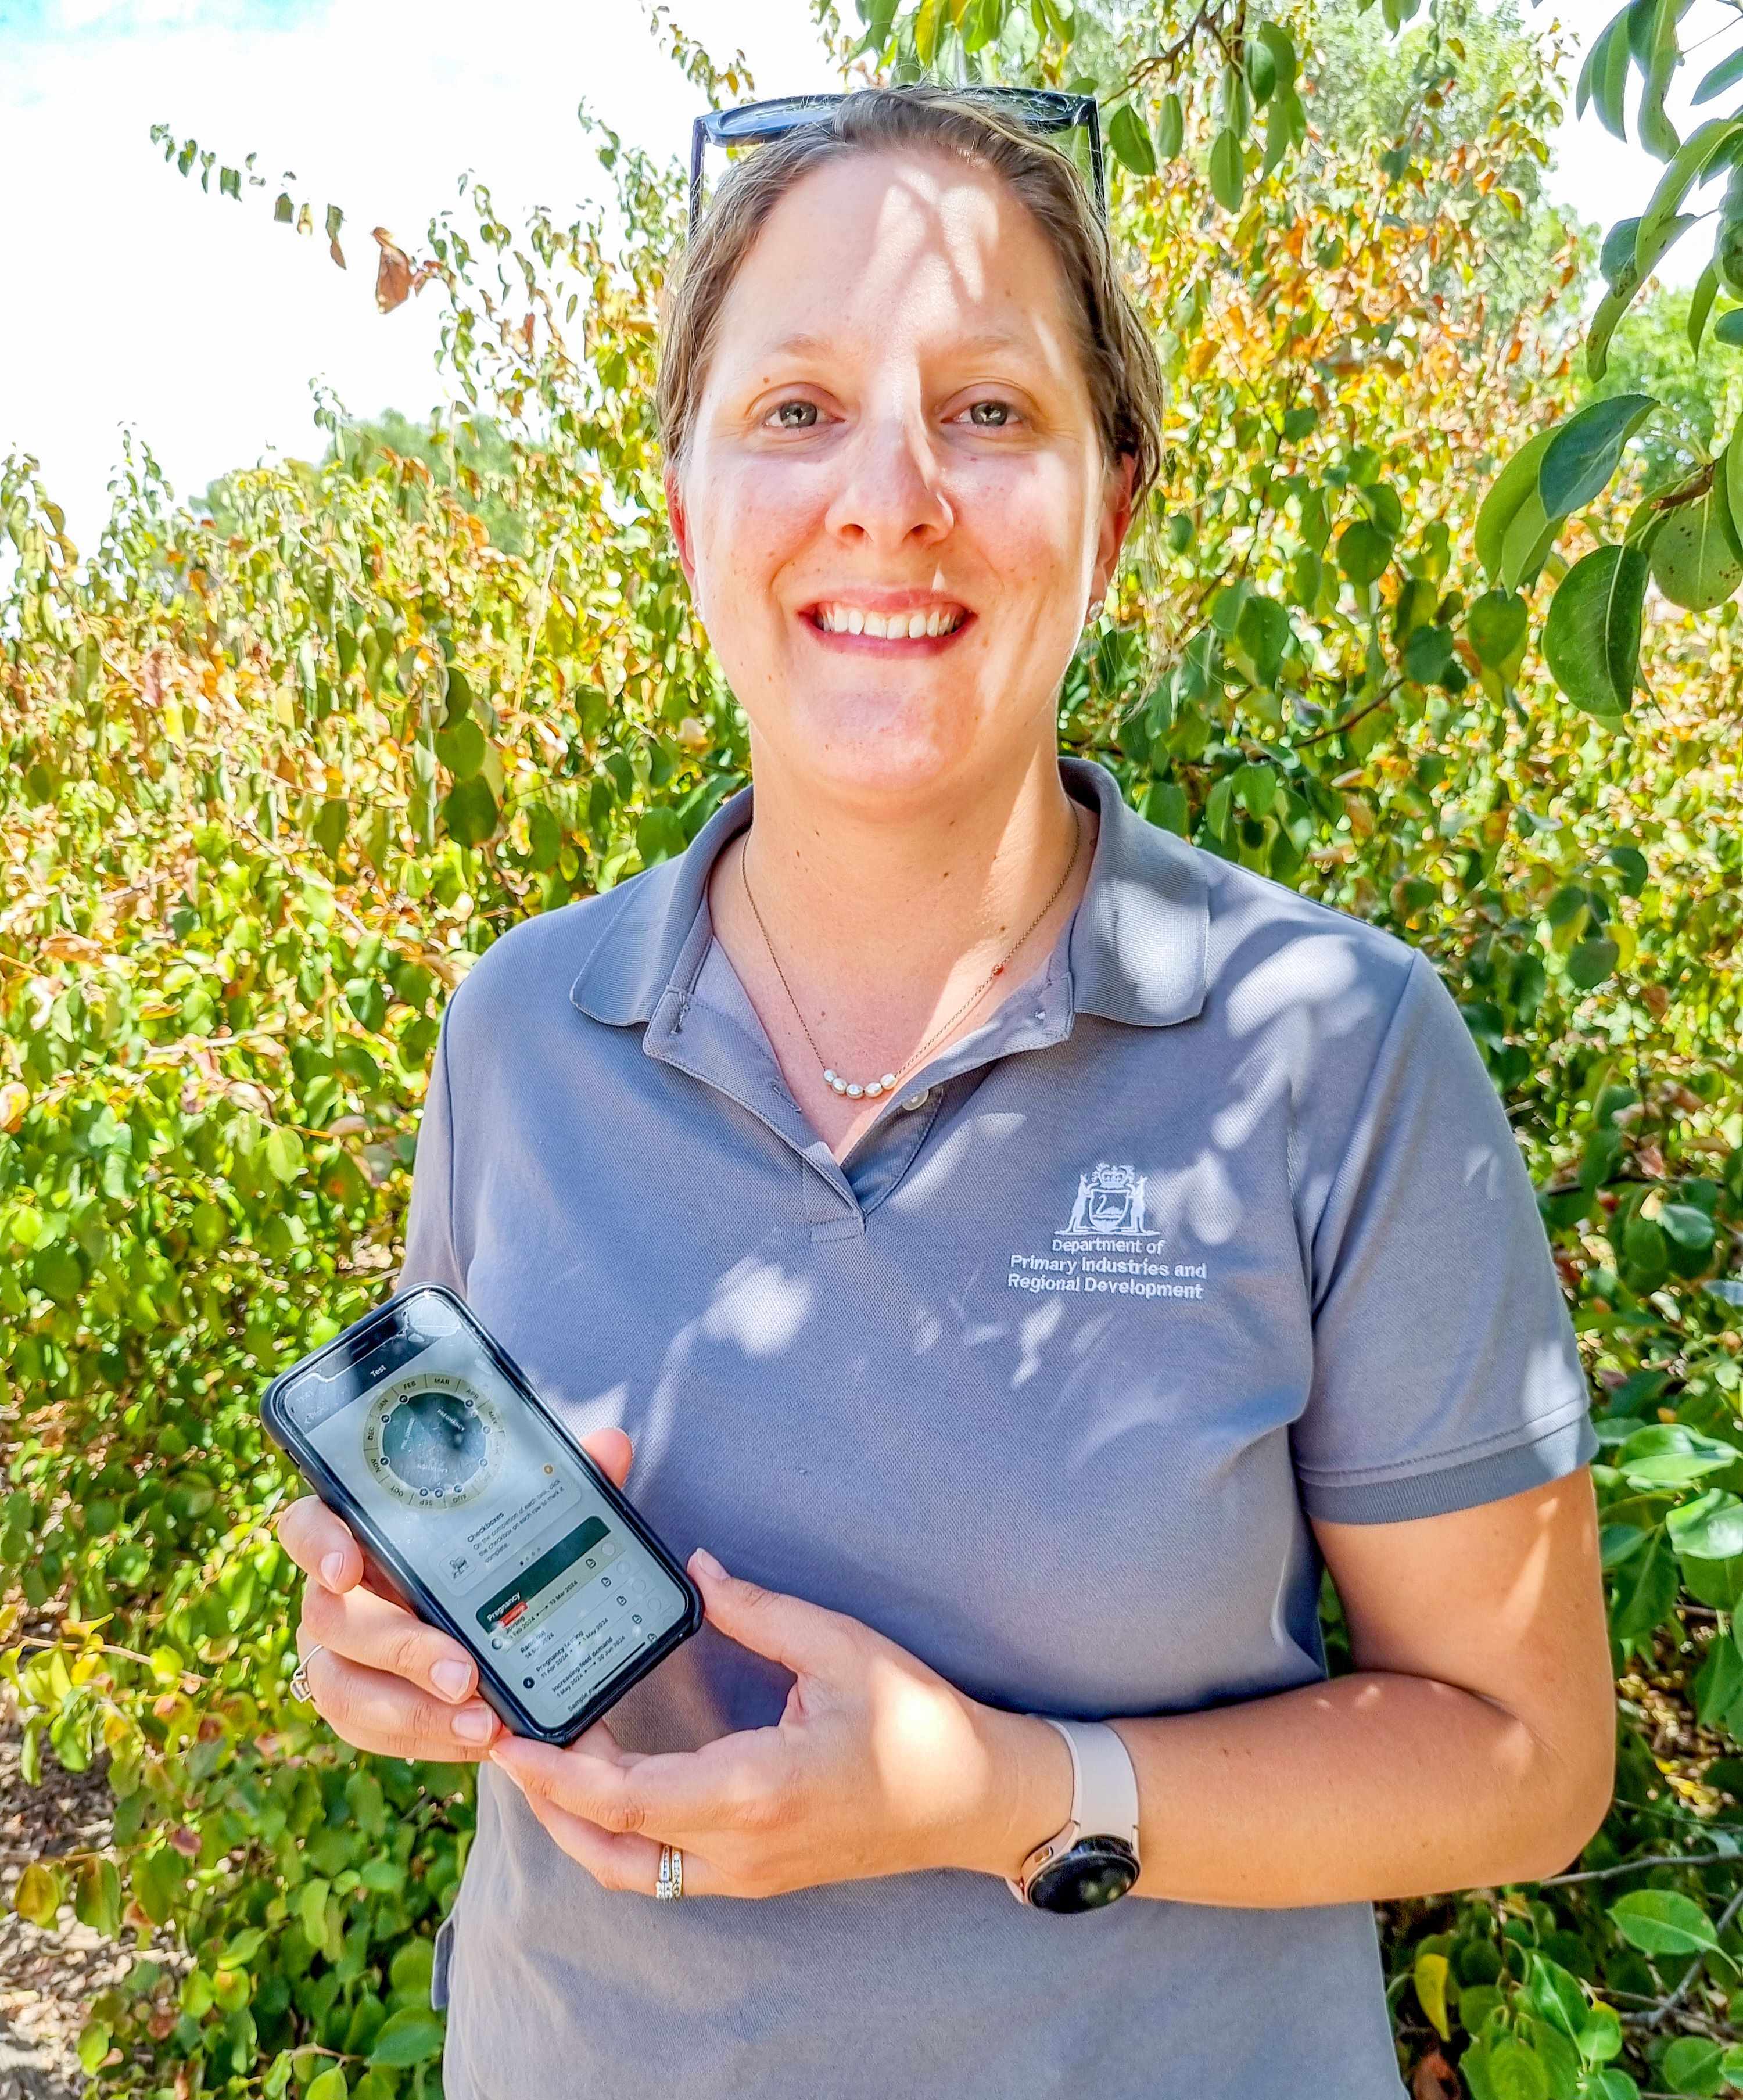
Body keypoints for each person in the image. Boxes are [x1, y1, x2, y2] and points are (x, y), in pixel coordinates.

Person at [275, 84, 1615, 2099]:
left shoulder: (1337, 1046)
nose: (888, 498)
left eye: (989, 413)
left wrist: (996, 1790)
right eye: (795, 410)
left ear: (1117, 504)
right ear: (683, 505)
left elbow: (1524, 1768)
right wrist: (390, 1657)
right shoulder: (522, 1027)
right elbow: (472, 1571)